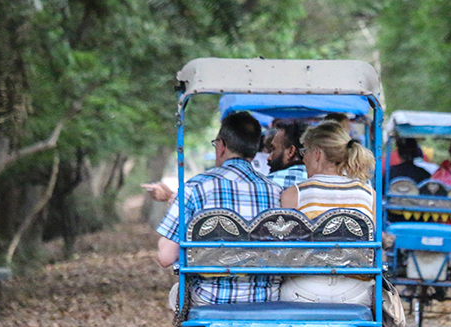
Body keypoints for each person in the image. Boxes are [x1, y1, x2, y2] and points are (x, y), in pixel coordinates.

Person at [155, 111, 282, 303]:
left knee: (176, 293)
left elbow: (165, 257)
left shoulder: (196, 187)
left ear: (221, 147)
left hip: (211, 297)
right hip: (264, 297)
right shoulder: (276, 190)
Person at [279, 120, 376, 306]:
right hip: (356, 292)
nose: (303, 158)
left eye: (304, 151)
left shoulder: (294, 194)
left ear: (317, 153)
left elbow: (285, 250)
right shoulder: (369, 194)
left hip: (304, 290)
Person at [266, 120, 308, 189]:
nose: (269, 158)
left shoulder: (269, 184)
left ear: (291, 151)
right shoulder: (324, 183)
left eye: (274, 149)